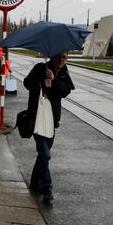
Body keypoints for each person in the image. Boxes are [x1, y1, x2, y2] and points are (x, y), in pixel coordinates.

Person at [24, 52, 75, 203]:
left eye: (64, 57)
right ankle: (47, 187)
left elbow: (65, 92)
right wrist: (41, 80)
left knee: (42, 154)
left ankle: (34, 182)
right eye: (59, 56)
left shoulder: (64, 72)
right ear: (52, 56)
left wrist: (55, 79)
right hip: (37, 117)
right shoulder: (40, 67)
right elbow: (27, 83)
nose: (61, 60)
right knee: (45, 154)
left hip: (52, 120)